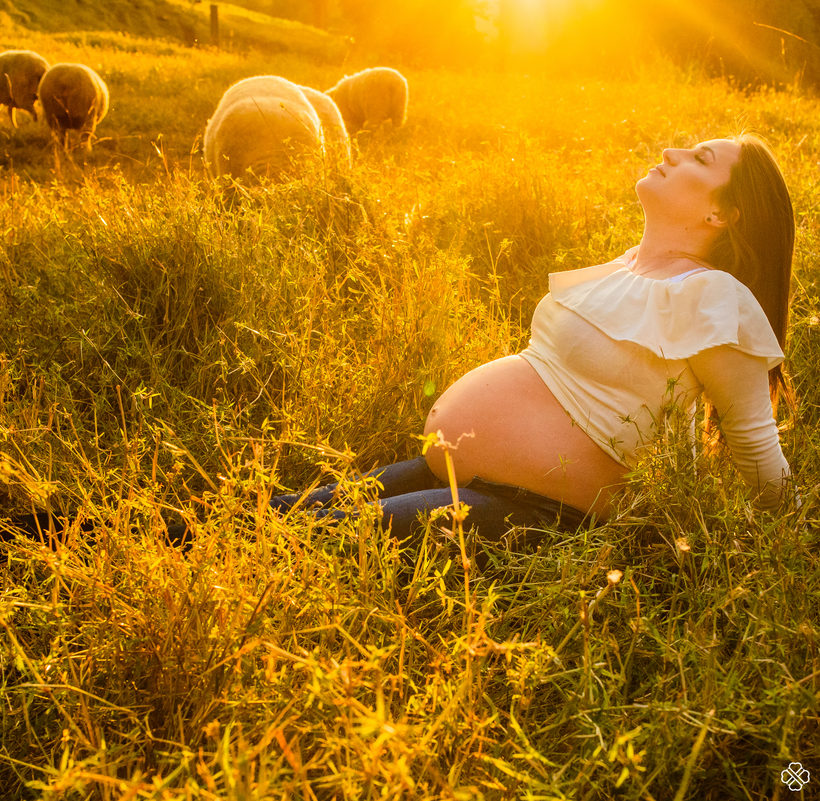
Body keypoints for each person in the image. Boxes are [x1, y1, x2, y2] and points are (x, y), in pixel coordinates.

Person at [269, 132, 795, 542]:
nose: (671, 151)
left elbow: (753, 439)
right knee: (276, 510)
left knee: (305, 535)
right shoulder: (623, 268)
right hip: (461, 474)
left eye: (699, 159)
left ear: (720, 213)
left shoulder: (713, 297)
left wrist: (786, 547)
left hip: (538, 513)